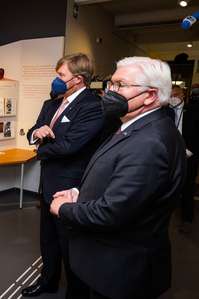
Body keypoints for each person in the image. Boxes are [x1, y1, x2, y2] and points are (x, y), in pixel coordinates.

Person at [50, 57, 186, 299]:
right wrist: (80, 193)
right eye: (111, 84)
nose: (110, 91)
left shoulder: (150, 142)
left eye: (120, 85)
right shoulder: (136, 126)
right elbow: (119, 179)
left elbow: (111, 212)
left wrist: (65, 208)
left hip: (121, 269)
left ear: (150, 95)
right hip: (109, 262)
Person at [23, 53, 105, 298]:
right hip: (47, 185)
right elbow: (32, 130)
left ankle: (77, 293)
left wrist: (40, 148)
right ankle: (48, 281)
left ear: (78, 79)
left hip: (70, 189)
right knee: (47, 241)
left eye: (61, 75)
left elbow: (69, 146)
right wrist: (37, 133)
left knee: (71, 247)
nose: (56, 80)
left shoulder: (92, 107)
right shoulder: (51, 104)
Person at [170, 85, 199, 234]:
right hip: (170, 157)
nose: (173, 98)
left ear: (182, 95)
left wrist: (188, 152)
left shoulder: (193, 111)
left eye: (175, 95)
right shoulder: (165, 112)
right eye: (170, 96)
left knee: (187, 190)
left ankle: (187, 220)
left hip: (188, 157)